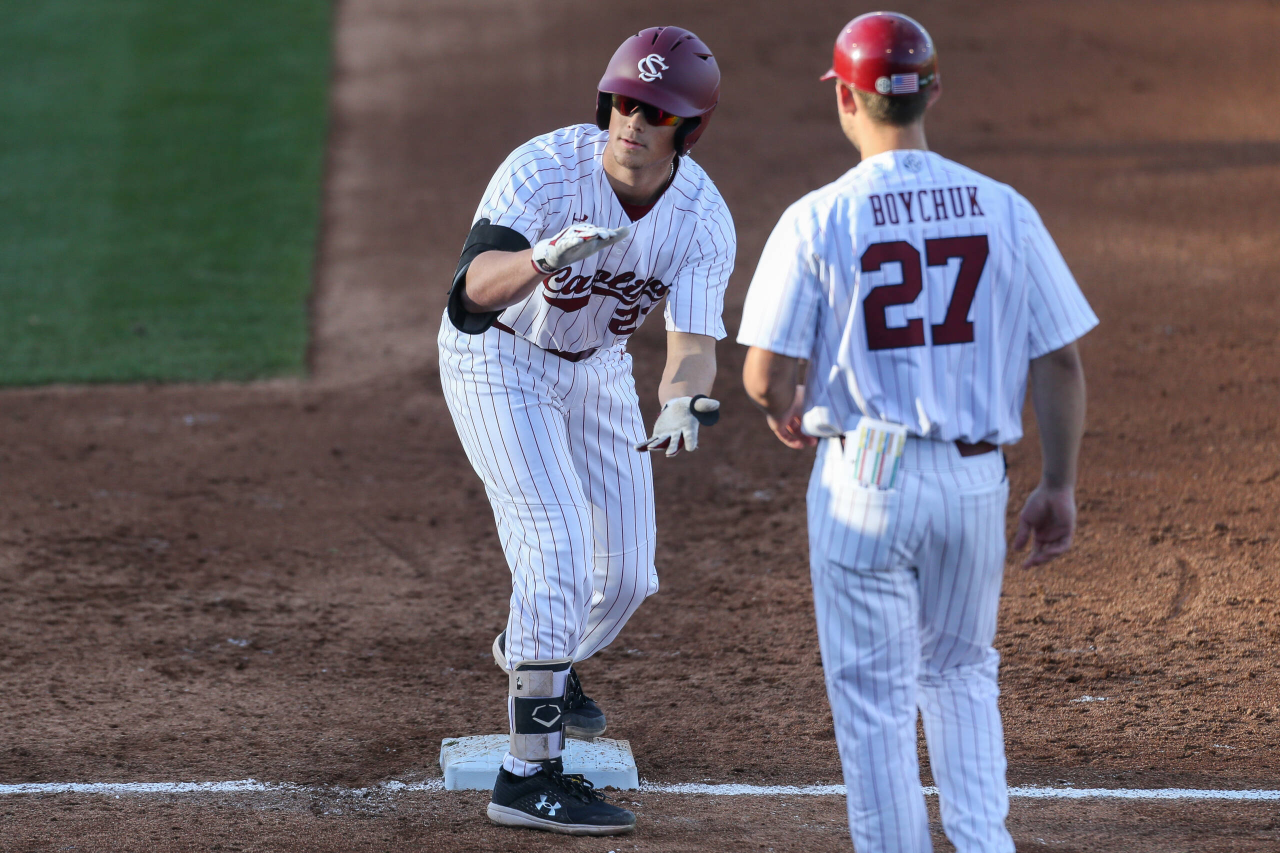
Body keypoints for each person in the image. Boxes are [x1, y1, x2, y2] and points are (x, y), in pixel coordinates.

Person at [737, 12, 1096, 852]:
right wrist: (1058, 483)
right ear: (932, 92)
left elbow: (763, 374)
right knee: (962, 670)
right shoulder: (1003, 208)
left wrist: (786, 402)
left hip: (865, 475)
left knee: (874, 697)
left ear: (847, 100)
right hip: (973, 479)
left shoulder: (817, 217)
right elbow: (1060, 358)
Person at [438, 26, 735, 836]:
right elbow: (472, 292)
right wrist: (546, 257)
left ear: (689, 128)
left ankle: (536, 652)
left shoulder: (701, 219)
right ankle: (527, 776)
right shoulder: (543, 170)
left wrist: (682, 400)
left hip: (599, 366)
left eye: (656, 112)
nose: (633, 121)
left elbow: (692, 348)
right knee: (557, 549)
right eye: (625, 102)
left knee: (629, 575)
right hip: (500, 359)